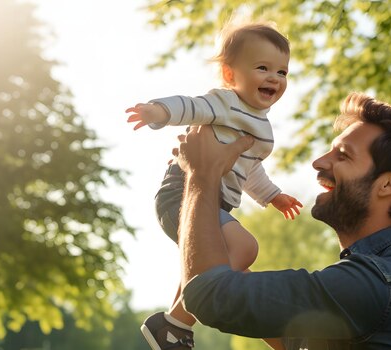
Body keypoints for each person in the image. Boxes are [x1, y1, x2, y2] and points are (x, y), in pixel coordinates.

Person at [173, 92, 391, 349]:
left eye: (343, 155)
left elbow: (209, 298)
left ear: (390, 182)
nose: (319, 162)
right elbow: (300, 340)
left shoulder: (374, 283)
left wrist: (201, 175)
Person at [126, 23, 303, 349]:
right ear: (229, 73)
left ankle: (173, 329)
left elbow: (250, 172)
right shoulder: (224, 102)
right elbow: (190, 106)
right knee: (245, 249)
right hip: (183, 193)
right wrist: (159, 111)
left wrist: (273, 196)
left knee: (228, 273)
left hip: (213, 205)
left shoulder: (264, 131)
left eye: (282, 71)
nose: (274, 78)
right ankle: (176, 322)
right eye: (262, 67)